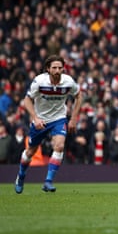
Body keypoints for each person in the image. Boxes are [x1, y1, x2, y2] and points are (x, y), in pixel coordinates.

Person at [14, 55, 82, 193]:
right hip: (41, 120)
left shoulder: (68, 82)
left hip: (59, 118)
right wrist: (35, 118)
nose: (57, 70)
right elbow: (27, 100)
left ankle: (48, 181)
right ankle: (20, 176)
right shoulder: (39, 81)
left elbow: (79, 96)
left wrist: (73, 118)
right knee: (30, 152)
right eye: (54, 68)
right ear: (48, 69)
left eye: (60, 68)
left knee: (60, 145)